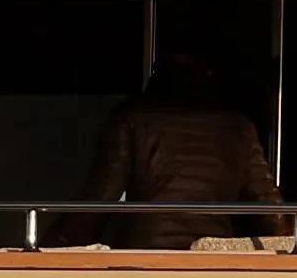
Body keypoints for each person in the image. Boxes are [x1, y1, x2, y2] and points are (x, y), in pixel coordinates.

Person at [88, 52, 279, 231]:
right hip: (210, 256)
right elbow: (270, 212)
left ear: (158, 71)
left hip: (145, 254)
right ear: (209, 74)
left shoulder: (131, 118)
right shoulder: (238, 128)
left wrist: (60, 246)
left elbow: (99, 202)